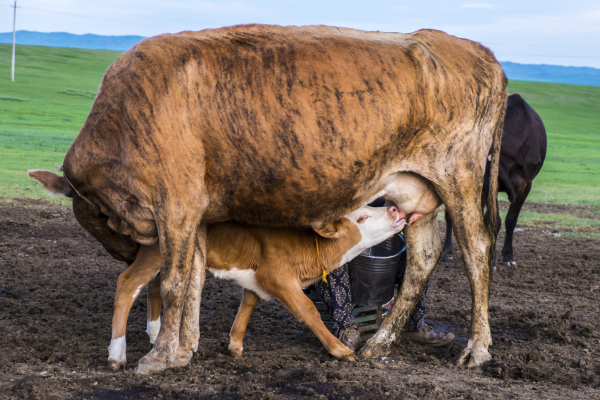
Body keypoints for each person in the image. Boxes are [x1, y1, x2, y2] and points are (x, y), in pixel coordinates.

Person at [314, 199, 454, 351]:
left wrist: (394, 219)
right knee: (330, 256)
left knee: (417, 257)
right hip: (343, 232)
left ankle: (413, 325)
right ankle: (346, 329)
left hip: (378, 222)